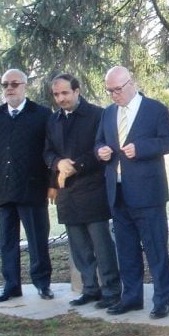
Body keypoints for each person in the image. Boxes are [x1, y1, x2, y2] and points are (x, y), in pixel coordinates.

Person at [95, 66, 169, 319]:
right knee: (126, 250)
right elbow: (98, 141)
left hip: (148, 193)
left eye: (117, 90)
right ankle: (131, 298)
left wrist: (141, 148)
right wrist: (100, 151)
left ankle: (162, 300)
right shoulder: (109, 113)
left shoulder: (154, 109)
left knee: (156, 249)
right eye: (110, 91)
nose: (114, 95)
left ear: (131, 83)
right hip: (118, 192)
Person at [44, 74, 121, 309]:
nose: (61, 98)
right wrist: (58, 163)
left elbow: (102, 150)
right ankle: (90, 288)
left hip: (93, 189)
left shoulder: (97, 115)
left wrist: (75, 166)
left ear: (77, 91)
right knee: (79, 247)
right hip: (67, 192)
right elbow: (47, 151)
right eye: (56, 94)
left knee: (102, 246)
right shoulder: (54, 119)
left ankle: (111, 290)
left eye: (65, 93)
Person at [0, 69, 55, 302]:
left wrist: (52, 184)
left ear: (25, 86)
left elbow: (52, 150)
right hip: (3, 190)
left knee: (37, 241)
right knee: (7, 242)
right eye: (5, 85)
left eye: (14, 84)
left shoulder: (42, 114)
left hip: (33, 189)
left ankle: (42, 284)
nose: (9, 88)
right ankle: (11, 286)